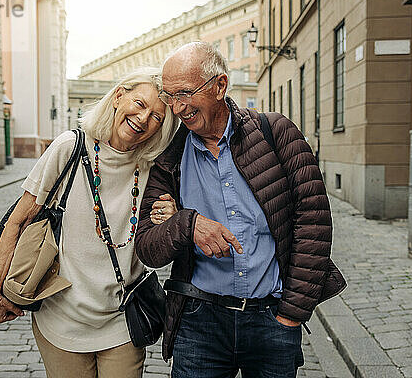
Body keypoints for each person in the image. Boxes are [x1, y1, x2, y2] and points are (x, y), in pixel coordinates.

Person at [135, 42, 346, 378]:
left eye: (186, 93)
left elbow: (314, 223)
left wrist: (292, 313)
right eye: (170, 95)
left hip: (272, 320)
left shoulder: (276, 132)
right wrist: (188, 224)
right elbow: (148, 248)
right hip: (199, 322)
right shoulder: (169, 159)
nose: (177, 107)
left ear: (220, 86)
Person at [0, 68, 180, 378]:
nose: (144, 118)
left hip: (122, 320)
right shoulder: (69, 147)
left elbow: (160, 238)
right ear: (118, 96)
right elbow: (18, 221)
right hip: (62, 318)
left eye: (157, 116)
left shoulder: (154, 167)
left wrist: (168, 216)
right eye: (140, 104)